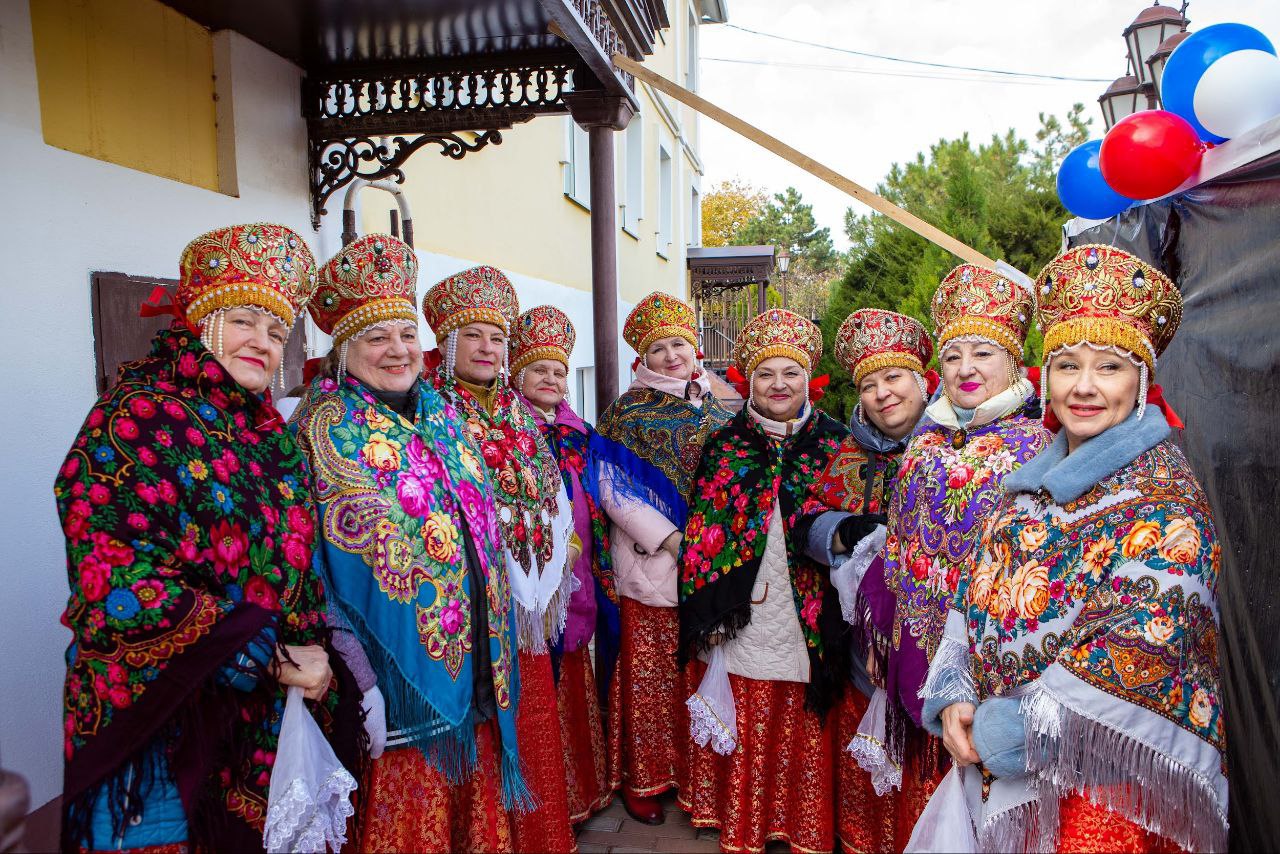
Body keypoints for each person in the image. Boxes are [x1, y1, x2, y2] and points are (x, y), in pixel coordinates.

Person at [53, 223, 363, 851]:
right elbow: (115, 582)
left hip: (262, 720)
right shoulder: (136, 414)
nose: (263, 342)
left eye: (276, 331)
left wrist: (318, 655)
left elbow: (294, 566)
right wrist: (271, 657)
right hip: (160, 720)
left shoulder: (267, 434)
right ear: (200, 322)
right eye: (245, 320)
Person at [923, 245, 1227, 853]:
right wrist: (955, 692)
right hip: (995, 771)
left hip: (1105, 796)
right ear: (1046, 377)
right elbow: (971, 595)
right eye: (1067, 366)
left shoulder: (1167, 498)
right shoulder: (1023, 492)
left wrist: (1008, 730)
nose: (1084, 387)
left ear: (1141, 382)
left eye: (1109, 367)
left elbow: (1145, 643)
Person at [292, 235, 527, 852]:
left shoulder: (442, 414)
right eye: (377, 338)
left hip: (478, 666)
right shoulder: (319, 428)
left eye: (405, 334)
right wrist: (359, 673)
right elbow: (309, 566)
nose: (398, 350)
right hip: (394, 685)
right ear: (344, 350)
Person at [874, 265, 1051, 822]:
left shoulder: (1040, 446)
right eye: (953, 356)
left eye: (982, 353)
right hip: (915, 641)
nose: (966, 368)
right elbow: (898, 544)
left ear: (1013, 360)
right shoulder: (924, 441)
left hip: (990, 656)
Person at [677, 309, 850, 853]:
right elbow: (702, 531)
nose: (779, 384)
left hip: (810, 606)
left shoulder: (837, 444)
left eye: (790, 372)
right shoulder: (725, 444)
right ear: (747, 381)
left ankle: (801, 823)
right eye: (766, 373)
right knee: (749, 701)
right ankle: (745, 820)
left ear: (808, 379)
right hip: (743, 607)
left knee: (803, 706)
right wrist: (710, 606)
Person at [421, 266, 577, 852]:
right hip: (471, 607)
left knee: (533, 712)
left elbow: (548, 487)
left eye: (497, 338)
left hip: (526, 609)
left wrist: (561, 543)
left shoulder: (516, 411)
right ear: (447, 342)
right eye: (473, 336)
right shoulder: (432, 409)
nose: (487, 348)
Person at [591, 292, 733, 824]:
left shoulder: (716, 405)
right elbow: (611, 489)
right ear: (642, 359)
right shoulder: (627, 411)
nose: (671, 356)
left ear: (695, 347)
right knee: (649, 679)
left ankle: (696, 778)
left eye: (679, 344)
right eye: (658, 349)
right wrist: (673, 540)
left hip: (710, 563)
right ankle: (645, 778)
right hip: (651, 564)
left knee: (699, 676)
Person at [796, 308, 935, 852]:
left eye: (893, 377)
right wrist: (841, 530)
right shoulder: (843, 452)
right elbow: (804, 517)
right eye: (869, 385)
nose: (882, 394)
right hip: (859, 650)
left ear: (921, 380)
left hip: (930, 648)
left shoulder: (954, 446)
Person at [510, 305, 615, 825]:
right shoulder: (509, 430)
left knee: (574, 669)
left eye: (558, 371)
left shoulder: (580, 432)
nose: (550, 379)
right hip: (530, 575)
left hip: (579, 572)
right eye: (538, 370)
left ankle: (582, 792)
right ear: (516, 374)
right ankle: (548, 800)